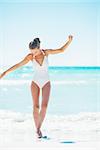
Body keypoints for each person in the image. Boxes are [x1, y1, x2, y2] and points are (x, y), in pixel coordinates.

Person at [0, 35, 73, 138]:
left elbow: (61, 50)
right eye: (31, 51)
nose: (33, 53)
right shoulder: (30, 57)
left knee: (44, 106)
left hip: (46, 81)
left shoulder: (46, 53)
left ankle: (39, 127)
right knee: (36, 106)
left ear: (39, 48)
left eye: (34, 51)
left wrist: (69, 41)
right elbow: (18, 65)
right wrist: (5, 72)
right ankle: (37, 130)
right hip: (35, 82)